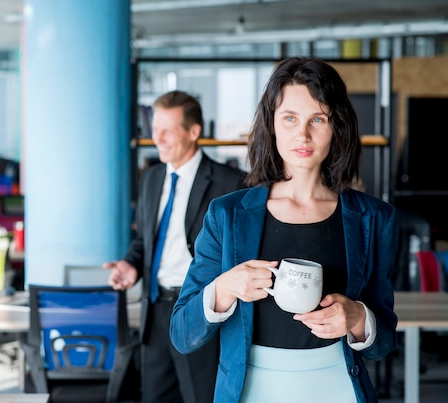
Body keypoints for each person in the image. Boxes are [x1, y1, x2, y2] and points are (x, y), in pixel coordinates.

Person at [170, 57, 399, 403]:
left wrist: (357, 317)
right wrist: (224, 288)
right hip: (251, 391)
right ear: (272, 124)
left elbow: (383, 343)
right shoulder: (226, 214)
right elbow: (181, 333)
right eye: (289, 118)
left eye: (317, 119)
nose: (302, 135)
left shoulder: (375, 218)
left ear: (337, 126)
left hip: (337, 387)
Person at [104, 90, 247, 402]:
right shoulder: (151, 178)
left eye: (168, 130)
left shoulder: (230, 184)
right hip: (155, 312)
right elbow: (145, 239)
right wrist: (131, 264)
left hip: (200, 309)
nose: (159, 138)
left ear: (194, 132)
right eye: (155, 129)